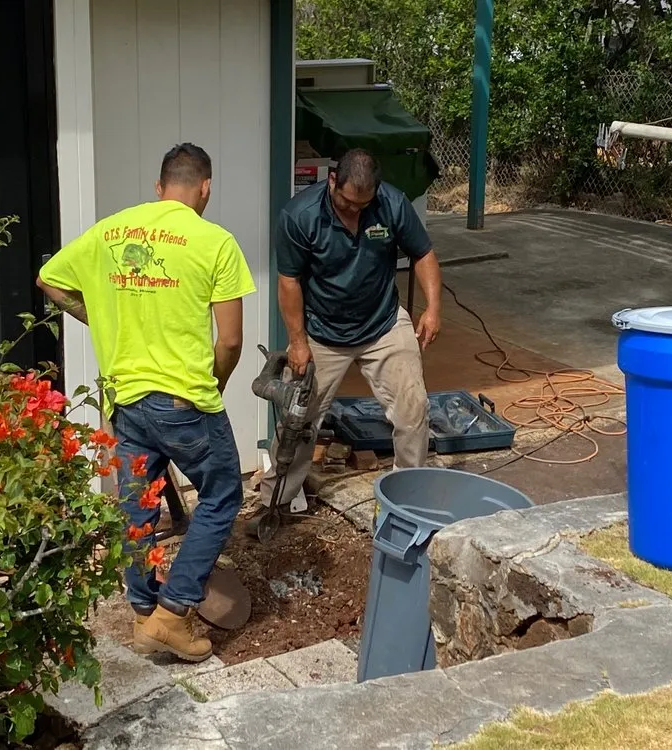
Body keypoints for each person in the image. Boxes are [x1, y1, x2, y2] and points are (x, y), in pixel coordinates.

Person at [37, 143, 255, 663]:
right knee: (223, 492)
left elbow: (49, 280)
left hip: (127, 402)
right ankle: (172, 613)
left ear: (159, 188)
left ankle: (141, 610)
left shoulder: (111, 231)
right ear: (205, 188)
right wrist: (213, 388)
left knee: (136, 508)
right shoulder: (215, 241)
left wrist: (98, 318)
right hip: (183, 402)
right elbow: (229, 342)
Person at [250, 148, 442, 530]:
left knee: (413, 410)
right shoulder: (299, 216)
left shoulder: (392, 204)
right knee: (297, 419)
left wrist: (433, 308)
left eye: (363, 205)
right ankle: (276, 500)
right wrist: (298, 342)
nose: (354, 211)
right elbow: (289, 282)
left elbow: (423, 254)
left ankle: (407, 498)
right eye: (346, 202)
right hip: (322, 331)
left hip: (382, 323)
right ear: (332, 181)